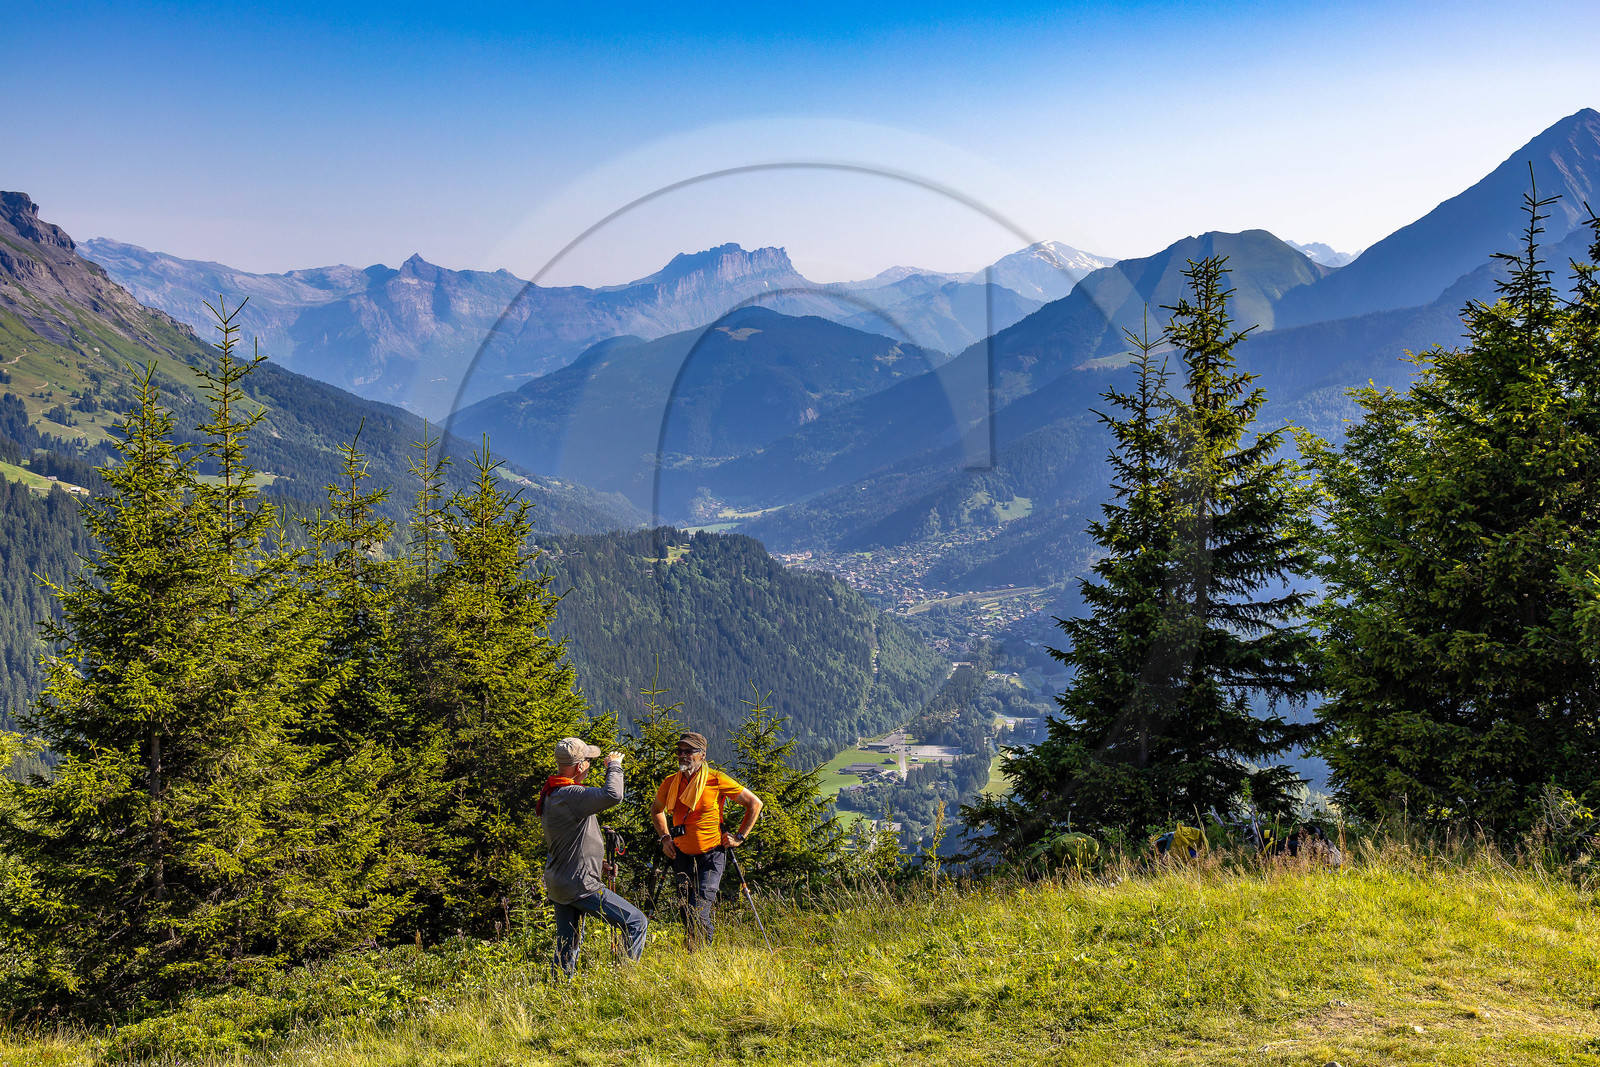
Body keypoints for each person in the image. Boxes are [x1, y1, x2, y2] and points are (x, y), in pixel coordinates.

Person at [538, 737, 648, 976]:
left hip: (560, 881)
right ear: (580, 766)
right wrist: (614, 766)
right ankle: (627, 981)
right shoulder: (570, 794)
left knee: (567, 944)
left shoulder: (552, 792)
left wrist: (599, 863)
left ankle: (559, 989)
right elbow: (613, 795)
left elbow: (571, 842)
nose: (590, 764)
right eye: (588, 760)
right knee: (635, 922)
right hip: (580, 883)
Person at [651, 731, 763, 947]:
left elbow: (754, 804)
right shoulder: (670, 782)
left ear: (702, 755)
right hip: (681, 854)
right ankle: (693, 953)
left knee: (698, 909)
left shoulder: (716, 780)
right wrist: (665, 838)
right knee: (685, 910)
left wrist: (739, 837)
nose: (682, 756)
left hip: (711, 855)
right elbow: (656, 810)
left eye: (689, 751)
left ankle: (702, 953)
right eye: (679, 751)